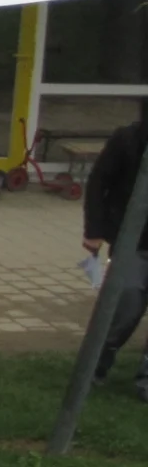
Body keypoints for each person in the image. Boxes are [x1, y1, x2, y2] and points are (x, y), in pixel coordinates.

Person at [86, 117, 148, 401]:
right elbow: (99, 182)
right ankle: (96, 366)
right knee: (125, 306)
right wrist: (94, 230)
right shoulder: (128, 139)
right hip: (132, 242)